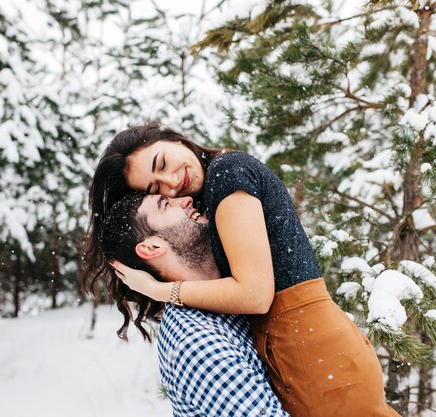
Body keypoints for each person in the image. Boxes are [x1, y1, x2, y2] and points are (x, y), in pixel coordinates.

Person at [81, 121, 399, 417]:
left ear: (174, 139)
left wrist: (160, 290)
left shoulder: (227, 173)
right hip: (313, 344)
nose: (173, 183)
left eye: (162, 163)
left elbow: (255, 295)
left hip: (307, 347)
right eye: (157, 190)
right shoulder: (214, 186)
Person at [98, 192, 289, 417]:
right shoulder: (195, 342)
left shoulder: (237, 286)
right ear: (151, 248)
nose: (187, 200)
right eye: (166, 204)